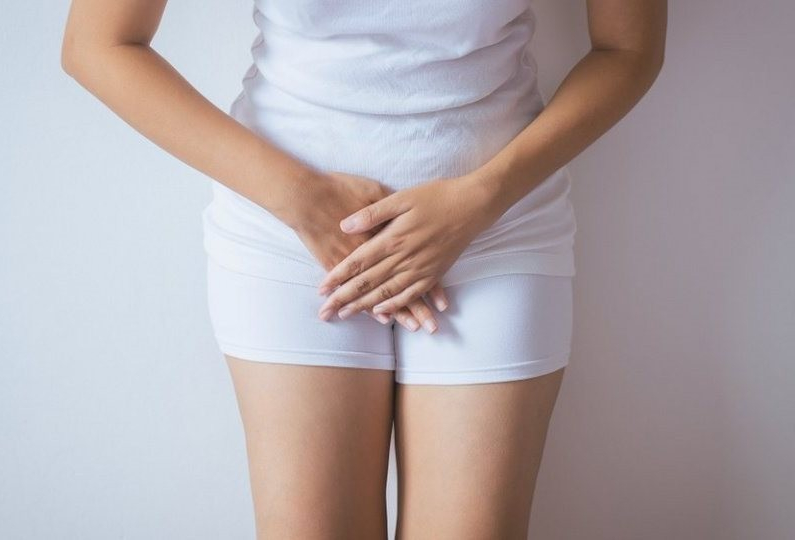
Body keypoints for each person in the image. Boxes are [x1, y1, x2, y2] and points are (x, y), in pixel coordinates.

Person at [61, 0, 666, 537]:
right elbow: (98, 43)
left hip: (493, 230)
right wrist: (301, 200)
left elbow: (628, 49)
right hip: (287, 237)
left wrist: (480, 199)